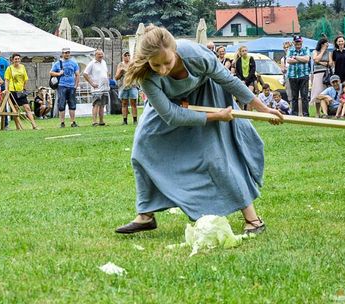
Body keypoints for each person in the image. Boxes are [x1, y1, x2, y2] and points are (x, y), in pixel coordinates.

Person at [114, 26, 283, 235]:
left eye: (167, 62)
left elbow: (229, 81)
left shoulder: (194, 55)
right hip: (172, 105)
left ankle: (253, 220)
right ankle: (146, 214)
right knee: (142, 148)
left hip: (208, 93)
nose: (163, 70)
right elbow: (172, 116)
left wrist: (263, 108)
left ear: (175, 50)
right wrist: (215, 117)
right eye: (156, 64)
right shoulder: (147, 76)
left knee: (216, 156)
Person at [4, 53, 39, 130]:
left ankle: (34, 125)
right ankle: (18, 127)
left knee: (27, 108)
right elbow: (6, 80)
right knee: (15, 110)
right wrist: (7, 89)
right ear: (12, 60)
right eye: (15, 59)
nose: (17, 60)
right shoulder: (9, 68)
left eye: (18, 59)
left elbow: (25, 79)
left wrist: (24, 88)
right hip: (12, 91)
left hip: (21, 91)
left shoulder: (22, 67)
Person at [50, 47, 80, 128]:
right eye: (65, 53)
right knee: (61, 104)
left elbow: (77, 74)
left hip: (71, 86)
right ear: (62, 54)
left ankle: (73, 122)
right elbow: (51, 72)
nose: (66, 54)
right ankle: (62, 122)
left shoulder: (74, 63)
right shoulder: (57, 63)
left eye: (68, 53)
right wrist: (59, 74)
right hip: (61, 85)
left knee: (72, 104)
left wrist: (76, 85)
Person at [84, 49, 110, 126]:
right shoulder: (92, 63)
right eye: (99, 54)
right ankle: (94, 122)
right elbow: (85, 74)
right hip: (96, 88)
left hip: (105, 88)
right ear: (95, 55)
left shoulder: (104, 62)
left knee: (102, 105)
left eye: (102, 54)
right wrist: (92, 83)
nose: (101, 56)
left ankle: (101, 121)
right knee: (96, 104)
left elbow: (106, 73)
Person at [287, 35, 311, 117]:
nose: (298, 43)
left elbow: (307, 59)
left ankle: (306, 114)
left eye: (299, 42)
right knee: (294, 97)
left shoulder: (306, 49)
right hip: (292, 76)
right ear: (294, 42)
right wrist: (301, 59)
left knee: (304, 96)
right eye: (296, 42)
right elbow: (289, 60)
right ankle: (294, 114)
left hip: (304, 75)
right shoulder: (290, 49)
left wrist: (295, 57)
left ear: (302, 42)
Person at [115, 51, 138, 125]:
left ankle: (135, 120)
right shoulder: (120, 65)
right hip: (123, 86)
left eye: (128, 55)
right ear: (123, 56)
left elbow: (136, 74)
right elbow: (116, 77)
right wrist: (121, 72)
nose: (127, 56)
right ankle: (124, 121)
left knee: (133, 103)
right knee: (124, 103)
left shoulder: (133, 64)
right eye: (125, 55)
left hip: (133, 85)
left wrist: (128, 71)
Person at [311, 38, 330, 117]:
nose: (328, 45)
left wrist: (320, 62)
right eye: (326, 43)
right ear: (322, 44)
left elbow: (330, 63)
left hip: (325, 74)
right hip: (317, 74)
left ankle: (325, 111)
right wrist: (322, 51)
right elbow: (315, 60)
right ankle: (317, 112)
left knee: (325, 92)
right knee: (317, 92)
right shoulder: (315, 52)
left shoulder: (328, 53)